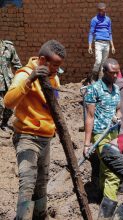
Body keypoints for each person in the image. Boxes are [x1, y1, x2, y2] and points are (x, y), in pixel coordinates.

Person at [4, 40, 66, 219]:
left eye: (59, 66)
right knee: (27, 183)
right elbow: (8, 102)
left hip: (46, 137)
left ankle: (40, 215)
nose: (56, 69)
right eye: (54, 65)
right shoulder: (24, 75)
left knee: (41, 183)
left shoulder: (54, 77)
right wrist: (31, 80)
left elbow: (53, 105)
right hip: (27, 137)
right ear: (41, 60)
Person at [83, 58, 121, 219]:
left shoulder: (117, 89)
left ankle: (100, 196)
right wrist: (86, 143)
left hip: (114, 132)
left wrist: (117, 117)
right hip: (99, 134)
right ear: (104, 72)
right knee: (112, 171)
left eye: (117, 72)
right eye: (112, 73)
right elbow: (89, 117)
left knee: (105, 168)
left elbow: (119, 109)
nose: (116, 75)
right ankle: (107, 213)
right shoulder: (94, 89)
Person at [87, 2, 115, 84]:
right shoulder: (94, 20)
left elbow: (110, 33)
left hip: (107, 43)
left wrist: (112, 46)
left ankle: (100, 80)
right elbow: (91, 33)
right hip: (98, 43)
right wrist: (89, 46)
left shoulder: (108, 19)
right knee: (98, 61)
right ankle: (93, 77)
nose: (103, 12)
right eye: (101, 11)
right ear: (98, 11)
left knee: (103, 63)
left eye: (104, 10)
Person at [0, 39, 22, 136]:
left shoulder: (8, 47)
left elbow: (17, 64)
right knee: (0, 105)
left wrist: (22, 76)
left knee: (10, 105)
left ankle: (4, 123)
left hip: (8, 82)